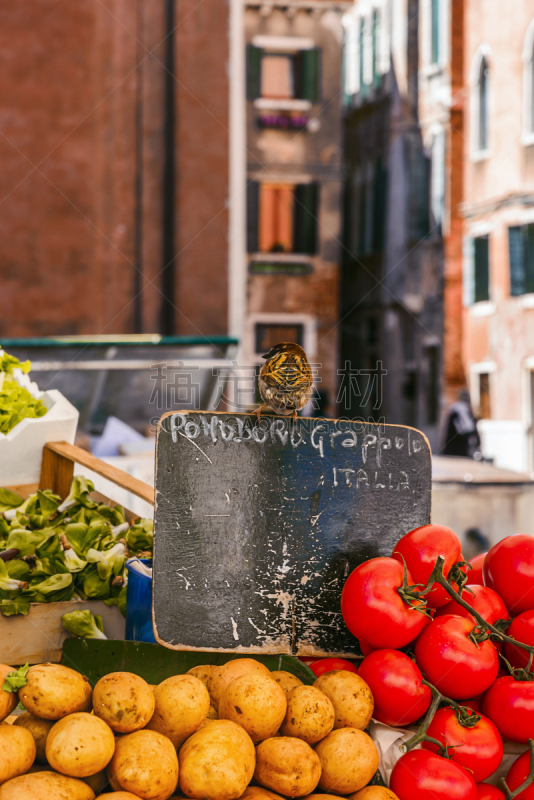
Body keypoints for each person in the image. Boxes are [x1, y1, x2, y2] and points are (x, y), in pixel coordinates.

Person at [442, 390, 481, 458]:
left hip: (456, 440)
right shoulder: (462, 408)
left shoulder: (454, 408)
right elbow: (470, 426)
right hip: (461, 439)